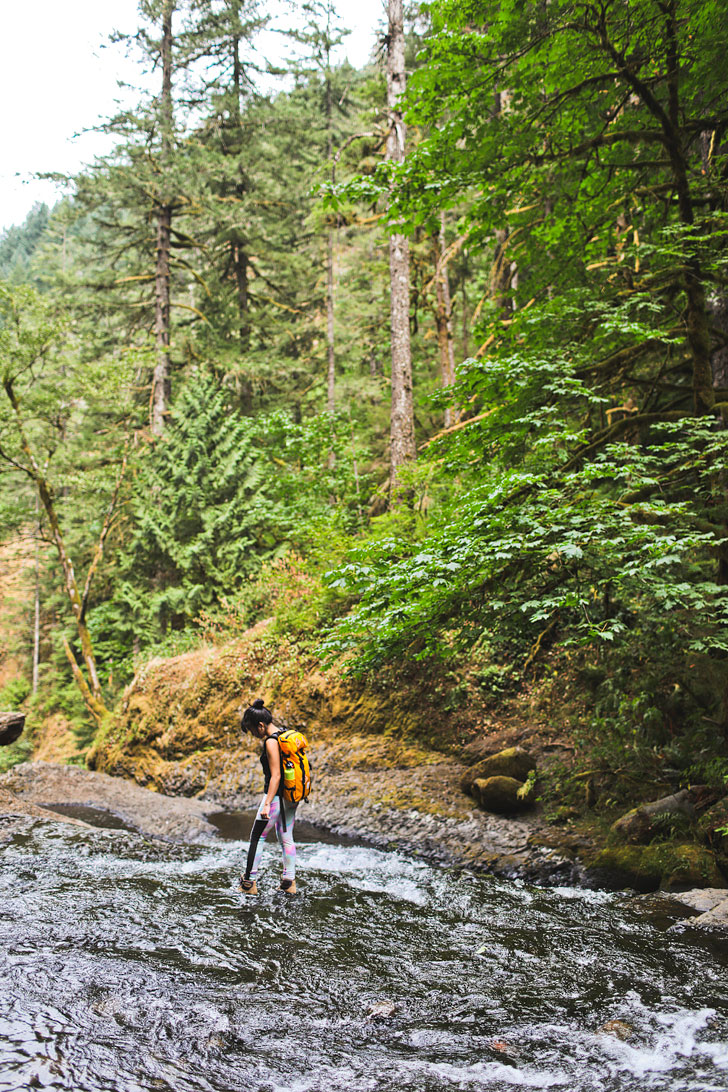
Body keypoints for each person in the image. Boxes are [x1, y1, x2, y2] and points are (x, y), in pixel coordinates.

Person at [238, 698, 297, 895]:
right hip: (290, 797)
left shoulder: (271, 742)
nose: (254, 735)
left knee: (257, 837)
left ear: (261, 725)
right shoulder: (284, 734)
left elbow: (276, 776)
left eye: (254, 730)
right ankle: (289, 882)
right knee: (286, 838)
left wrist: (267, 804)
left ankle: (249, 883)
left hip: (275, 797)